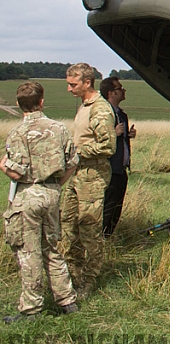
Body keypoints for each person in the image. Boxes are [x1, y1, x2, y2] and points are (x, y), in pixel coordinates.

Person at [0, 81, 79, 323]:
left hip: (28, 196)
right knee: (52, 247)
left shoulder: (17, 133)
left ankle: (31, 309)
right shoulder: (59, 128)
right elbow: (73, 161)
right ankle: (67, 301)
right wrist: (55, 185)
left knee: (29, 252)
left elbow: (17, 172)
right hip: (52, 194)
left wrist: (3, 165)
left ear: (18, 104)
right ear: (41, 101)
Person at [61, 63, 115, 299]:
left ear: (87, 83)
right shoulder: (84, 106)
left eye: (73, 85)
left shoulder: (100, 109)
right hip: (77, 173)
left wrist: (78, 153)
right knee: (68, 223)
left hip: (91, 175)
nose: (69, 89)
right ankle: (73, 274)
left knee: (89, 227)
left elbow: (107, 145)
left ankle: (90, 280)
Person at [99, 76, 134, 237]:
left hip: (120, 169)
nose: (123, 91)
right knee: (108, 206)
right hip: (110, 168)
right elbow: (95, 140)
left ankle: (108, 236)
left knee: (116, 206)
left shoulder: (122, 115)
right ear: (111, 93)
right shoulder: (104, 115)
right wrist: (114, 133)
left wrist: (127, 135)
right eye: (120, 89)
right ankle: (102, 237)